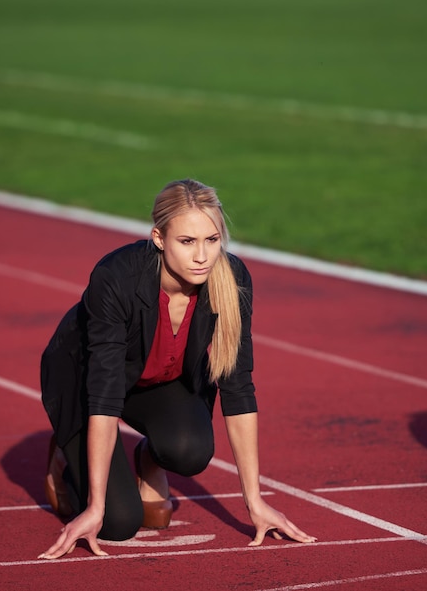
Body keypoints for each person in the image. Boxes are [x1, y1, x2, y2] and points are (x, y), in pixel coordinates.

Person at [38, 179, 316, 559]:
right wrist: (96, 506)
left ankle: (146, 459)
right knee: (117, 524)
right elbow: (103, 393)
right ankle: (65, 460)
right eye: (187, 242)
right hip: (85, 382)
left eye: (212, 240)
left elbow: (238, 388)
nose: (202, 255)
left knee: (190, 451)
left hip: (156, 377)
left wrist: (255, 503)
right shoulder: (117, 276)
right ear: (159, 238)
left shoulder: (232, 280)